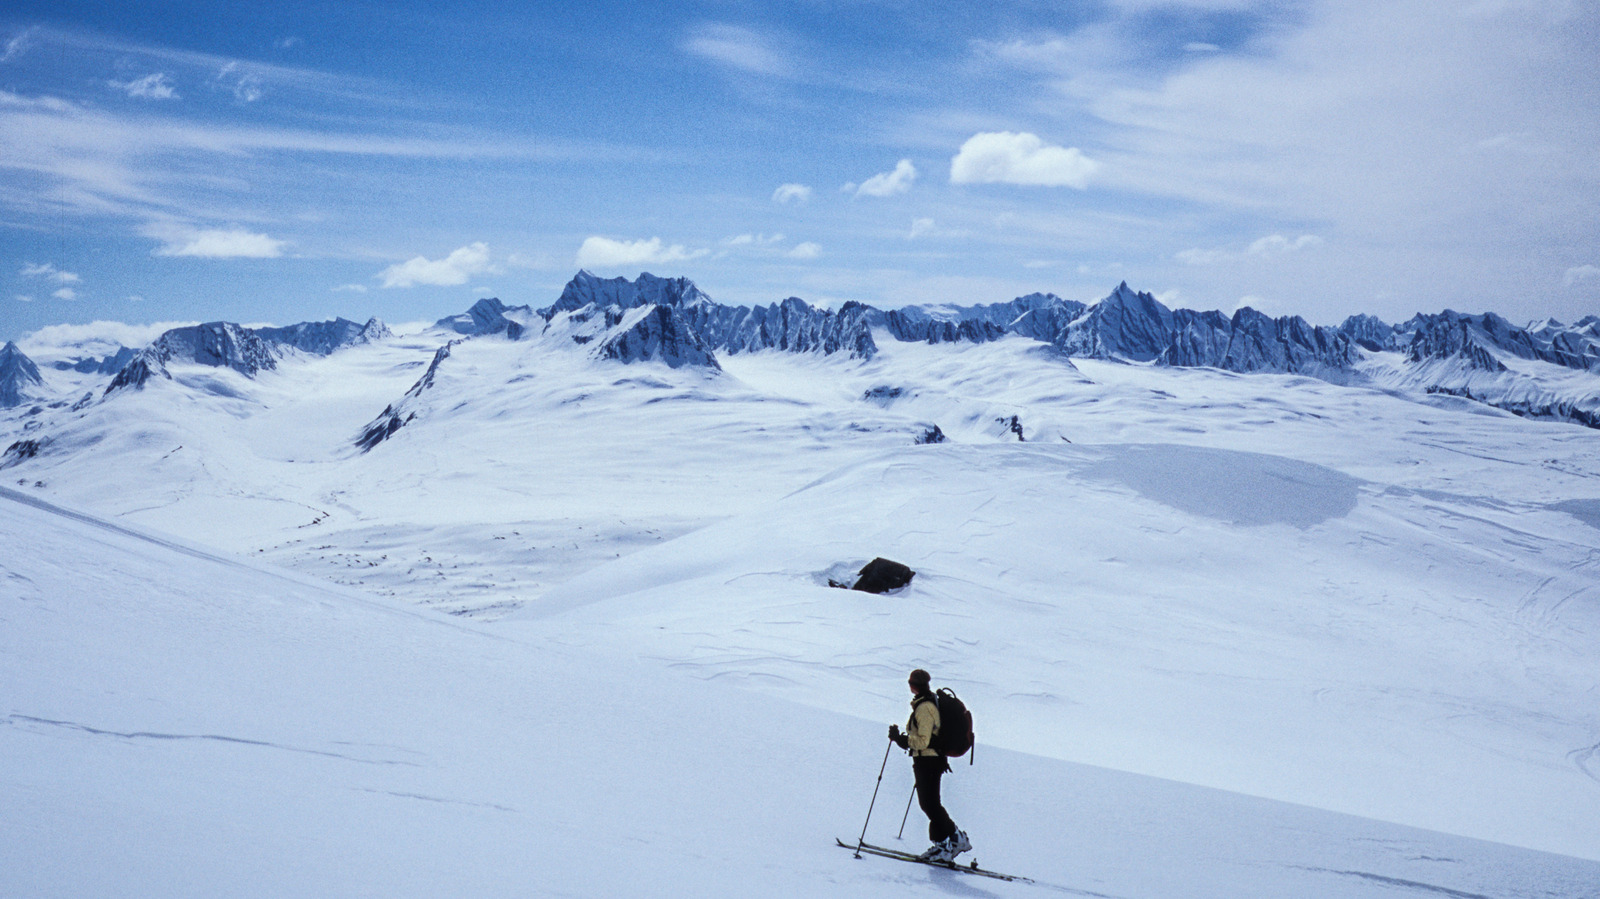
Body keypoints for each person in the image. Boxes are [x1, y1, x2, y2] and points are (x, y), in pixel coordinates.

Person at [888, 668, 971, 862]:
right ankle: (945, 842)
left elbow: (923, 741)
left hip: (929, 760)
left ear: (913, 686)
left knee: (929, 804)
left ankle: (952, 840)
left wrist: (901, 740)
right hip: (930, 760)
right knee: (930, 804)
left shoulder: (925, 707)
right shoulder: (926, 702)